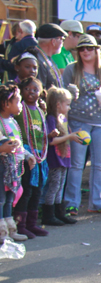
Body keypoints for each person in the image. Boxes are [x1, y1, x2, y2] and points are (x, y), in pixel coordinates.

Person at [62, 35, 101, 215]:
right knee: (77, 164)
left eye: (89, 48)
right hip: (78, 120)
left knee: (99, 165)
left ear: (96, 50)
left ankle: (97, 201)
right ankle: (71, 202)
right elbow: (62, 94)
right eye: (81, 48)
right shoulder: (71, 69)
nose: (85, 51)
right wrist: (70, 93)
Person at [13, 77, 49, 236]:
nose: (31, 92)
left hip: (40, 155)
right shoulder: (19, 109)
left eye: (35, 90)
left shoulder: (40, 111)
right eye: (27, 89)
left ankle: (31, 223)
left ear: (40, 93)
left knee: (37, 190)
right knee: (26, 189)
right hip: (26, 155)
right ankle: (20, 226)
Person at [41, 87, 77, 226]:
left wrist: (72, 135)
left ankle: (59, 213)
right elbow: (52, 141)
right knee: (54, 186)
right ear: (58, 104)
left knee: (60, 186)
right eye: (67, 104)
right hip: (55, 159)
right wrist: (70, 136)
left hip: (63, 157)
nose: (69, 107)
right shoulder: (51, 119)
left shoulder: (62, 119)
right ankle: (48, 215)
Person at [0, 84, 30, 242]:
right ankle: (1, 232)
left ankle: (10, 230)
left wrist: (27, 155)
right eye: (18, 101)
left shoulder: (13, 122)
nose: (21, 105)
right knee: (1, 199)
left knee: (9, 199)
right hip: (2, 167)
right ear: (6, 103)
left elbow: (18, 144)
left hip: (13, 168)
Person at [30, 24, 67, 92]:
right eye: (61, 39)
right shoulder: (38, 61)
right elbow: (40, 90)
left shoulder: (47, 57)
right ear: (53, 41)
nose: (62, 43)